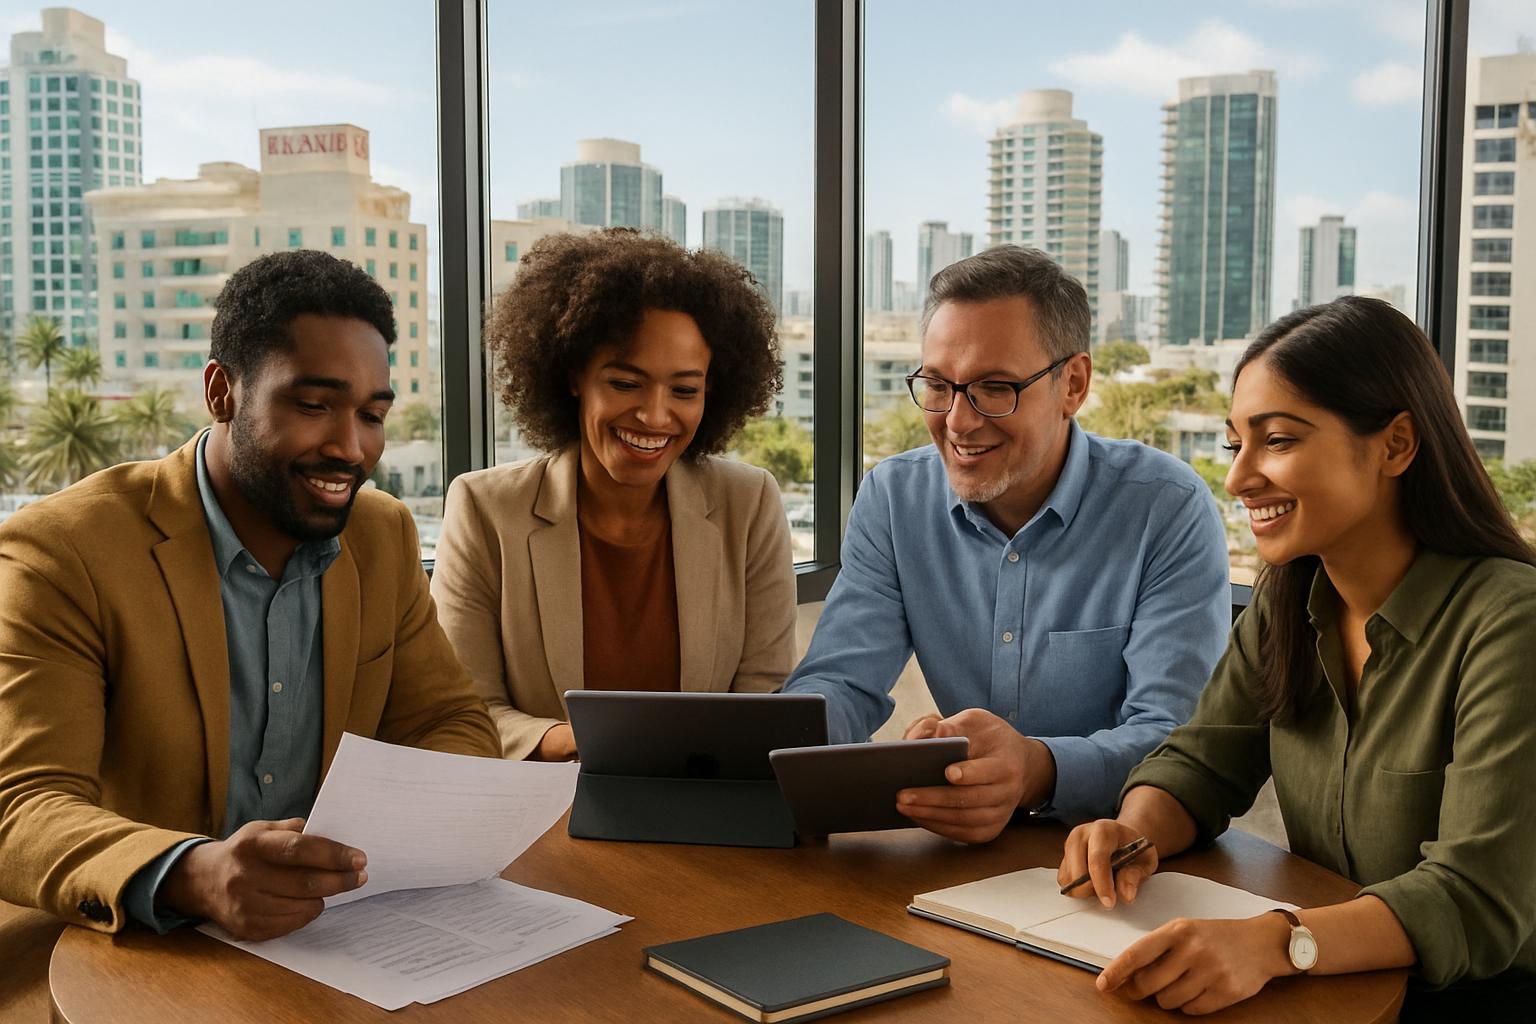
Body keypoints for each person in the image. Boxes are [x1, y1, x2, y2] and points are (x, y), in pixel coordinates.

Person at [0, 250, 500, 942]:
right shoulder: (66, 550)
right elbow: (22, 806)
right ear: (222, 392)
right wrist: (193, 873)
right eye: (314, 405)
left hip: (336, 934)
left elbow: (450, 721)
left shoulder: (380, 535)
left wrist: (380, 831)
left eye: (371, 415)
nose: (351, 448)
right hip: (126, 950)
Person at [1057, 297, 1536, 1019]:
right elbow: (1202, 765)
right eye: (1235, 445)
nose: (1238, 478)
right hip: (1335, 994)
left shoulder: (1510, 623)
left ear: (1396, 445)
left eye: (1277, 440)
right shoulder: (1288, 598)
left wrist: (1276, 944)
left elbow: (1474, 896)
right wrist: (1133, 833)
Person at [782, 245, 1229, 841]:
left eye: (994, 388)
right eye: (938, 385)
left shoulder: (1166, 507)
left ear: (1073, 384)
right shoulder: (893, 497)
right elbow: (842, 682)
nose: (958, 421)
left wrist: (1036, 769)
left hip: (1121, 850)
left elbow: (1177, 741)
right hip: (956, 852)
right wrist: (785, 745)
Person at [430, 229, 796, 761]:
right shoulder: (484, 508)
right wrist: (577, 741)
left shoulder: (750, 502)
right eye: (625, 384)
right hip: (547, 800)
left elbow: (765, 696)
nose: (654, 415)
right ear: (575, 375)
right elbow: (467, 709)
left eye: (684, 390)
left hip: (704, 798)